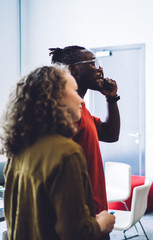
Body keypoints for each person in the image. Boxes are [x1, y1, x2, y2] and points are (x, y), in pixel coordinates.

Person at [0, 65, 115, 240]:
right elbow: (76, 233)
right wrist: (102, 222)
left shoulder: (17, 151)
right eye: (75, 92)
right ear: (54, 99)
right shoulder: (66, 153)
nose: (81, 100)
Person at [49, 46, 121, 216]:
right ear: (74, 69)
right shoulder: (64, 111)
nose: (100, 70)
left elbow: (111, 135)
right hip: (81, 213)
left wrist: (111, 98)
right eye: (93, 64)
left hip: (95, 208)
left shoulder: (81, 108)